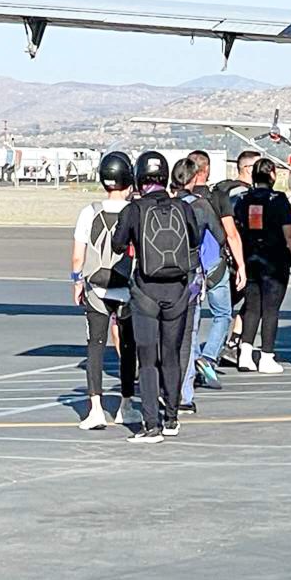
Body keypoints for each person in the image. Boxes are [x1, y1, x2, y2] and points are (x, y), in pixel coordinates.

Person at [112, 151, 200, 444]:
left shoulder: (134, 210)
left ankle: (151, 425)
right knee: (172, 355)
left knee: (147, 359)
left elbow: (118, 244)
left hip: (146, 290)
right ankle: (172, 417)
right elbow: (195, 239)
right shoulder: (183, 207)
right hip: (177, 290)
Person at [70, 151, 140, 430]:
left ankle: (95, 408)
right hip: (127, 289)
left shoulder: (89, 212)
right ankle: (126, 405)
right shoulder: (135, 210)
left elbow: (78, 255)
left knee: (95, 348)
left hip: (96, 288)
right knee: (127, 346)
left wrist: (77, 280)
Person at [233, 157, 291, 374]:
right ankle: (266, 355)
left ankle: (245, 352)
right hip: (274, 261)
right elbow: (290, 234)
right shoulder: (278, 199)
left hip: (250, 258)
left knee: (252, 307)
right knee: (271, 309)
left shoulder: (243, 198)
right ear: (272, 175)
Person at [185, 150, 247, 388]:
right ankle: (209, 356)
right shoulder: (218, 197)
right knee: (222, 313)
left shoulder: (181, 198)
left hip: (189, 265)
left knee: (191, 319)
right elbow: (231, 234)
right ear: (207, 170)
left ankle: (190, 360)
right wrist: (241, 265)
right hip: (214, 264)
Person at [171, 157, 228, 414]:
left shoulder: (165, 205)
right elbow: (221, 235)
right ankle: (184, 394)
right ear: (195, 178)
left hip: (162, 277)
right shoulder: (201, 206)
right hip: (192, 273)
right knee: (190, 333)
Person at [213, 150, 260, 365]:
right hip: (241, 253)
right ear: (248, 169)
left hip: (219, 254)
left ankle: (224, 343)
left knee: (226, 304)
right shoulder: (245, 194)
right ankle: (231, 343)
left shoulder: (223, 189)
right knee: (252, 300)